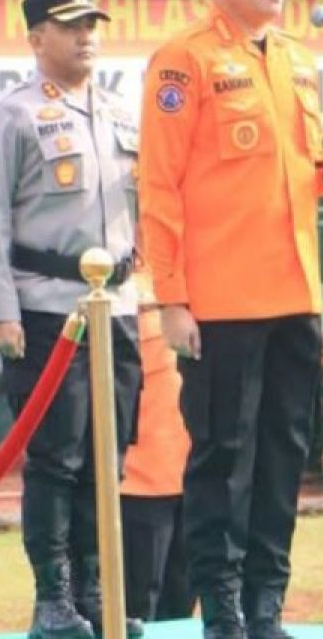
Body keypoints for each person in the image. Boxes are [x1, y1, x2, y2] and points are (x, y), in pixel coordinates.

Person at [138, 0, 323, 639]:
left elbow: (292, 174)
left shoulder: (299, 58)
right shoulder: (185, 61)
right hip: (221, 301)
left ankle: (268, 605)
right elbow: (161, 187)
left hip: (296, 294)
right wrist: (172, 298)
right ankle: (225, 609)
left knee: (283, 456)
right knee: (223, 459)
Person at [0, 0, 143, 638]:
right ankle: (54, 598)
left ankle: (97, 593)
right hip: (47, 307)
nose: (86, 37)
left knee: (111, 456)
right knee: (57, 456)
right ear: (37, 37)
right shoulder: (11, 114)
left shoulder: (121, 112)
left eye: (93, 25)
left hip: (117, 306)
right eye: (71, 26)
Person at [120, 267, 194, 626]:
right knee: (136, 611)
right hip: (136, 482)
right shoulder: (115, 279)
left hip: (194, 476)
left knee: (180, 613)